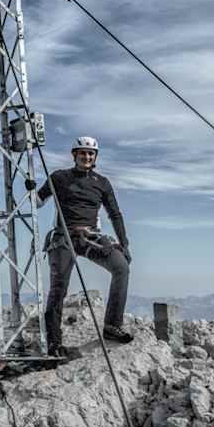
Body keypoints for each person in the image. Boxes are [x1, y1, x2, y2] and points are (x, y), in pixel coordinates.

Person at [32, 136, 134, 355]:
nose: (87, 157)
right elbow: (37, 202)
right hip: (63, 236)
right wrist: (31, 190)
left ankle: (112, 325)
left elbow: (115, 214)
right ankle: (54, 342)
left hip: (90, 236)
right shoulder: (59, 178)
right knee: (59, 288)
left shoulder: (102, 182)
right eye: (82, 153)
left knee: (121, 267)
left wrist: (124, 244)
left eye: (90, 154)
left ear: (95, 157)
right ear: (74, 155)